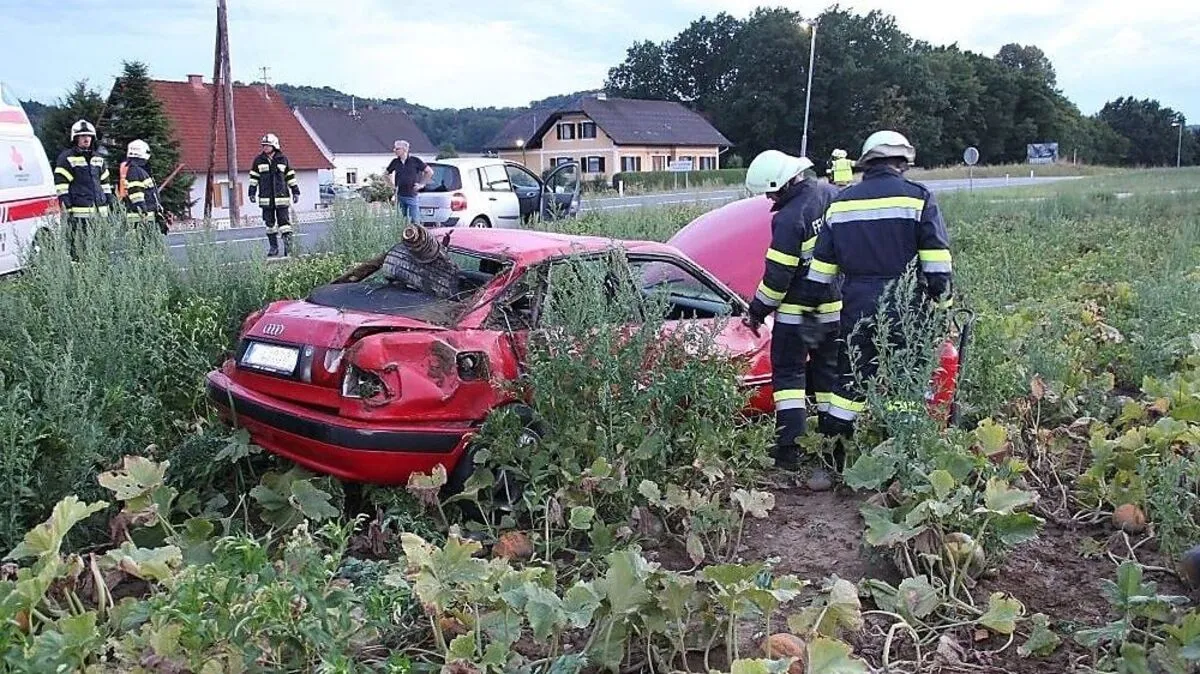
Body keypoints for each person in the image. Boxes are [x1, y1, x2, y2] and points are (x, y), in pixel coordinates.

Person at [796, 130, 954, 439]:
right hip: (907, 305)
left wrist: (810, 310)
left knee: (849, 381)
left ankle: (834, 455)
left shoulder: (841, 204)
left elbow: (821, 268)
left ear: (866, 164)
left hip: (856, 304)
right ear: (902, 162)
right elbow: (937, 263)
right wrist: (942, 308)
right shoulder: (918, 197)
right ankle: (899, 449)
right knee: (904, 380)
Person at [742, 150, 842, 472]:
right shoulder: (831, 194)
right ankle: (832, 448)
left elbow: (778, 277)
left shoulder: (787, 218)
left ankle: (789, 451)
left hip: (796, 314)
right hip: (835, 306)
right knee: (828, 376)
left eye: (771, 191)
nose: (769, 197)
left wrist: (757, 310)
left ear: (783, 184)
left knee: (789, 379)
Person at [53, 119, 114, 258]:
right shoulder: (67, 158)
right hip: (79, 214)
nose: (86, 139)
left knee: (101, 249)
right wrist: (67, 207)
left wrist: (109, 201)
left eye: (89, 136)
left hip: (100, 214)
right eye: (82, 136)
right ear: (75, 138)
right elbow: (61, 185)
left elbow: (105, 182)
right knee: (79, 249)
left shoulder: (98, 159)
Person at [248, 133, 299, 257]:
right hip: (266, 199)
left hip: (281, 198)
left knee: (285, 225)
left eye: (267, 145)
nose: (264, 147)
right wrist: (252, 192)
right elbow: (254, 178)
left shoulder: (283, 159)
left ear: (274, 146)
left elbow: (290, 177)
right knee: (269, 224)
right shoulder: (258, 160)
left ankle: (288, 248)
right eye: (263, 145)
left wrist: (295, 191)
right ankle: (273, 248)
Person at [119, 139, 168, 234]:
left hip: (144, 221)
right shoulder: (135, 171)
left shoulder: (138, 170)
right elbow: (137, 197)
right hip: (141, 223)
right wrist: (144, 215)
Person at [386, 140, 432, 223]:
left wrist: (422, 184)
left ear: (405, 149)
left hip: (411, 195)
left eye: (397, 149)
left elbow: (429, 172)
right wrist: (392, 186)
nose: (394, 151)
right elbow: (386, 174)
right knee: (400, 221)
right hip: (399, 196)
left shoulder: (415, 161)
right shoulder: (395, 162)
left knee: (414, 221)